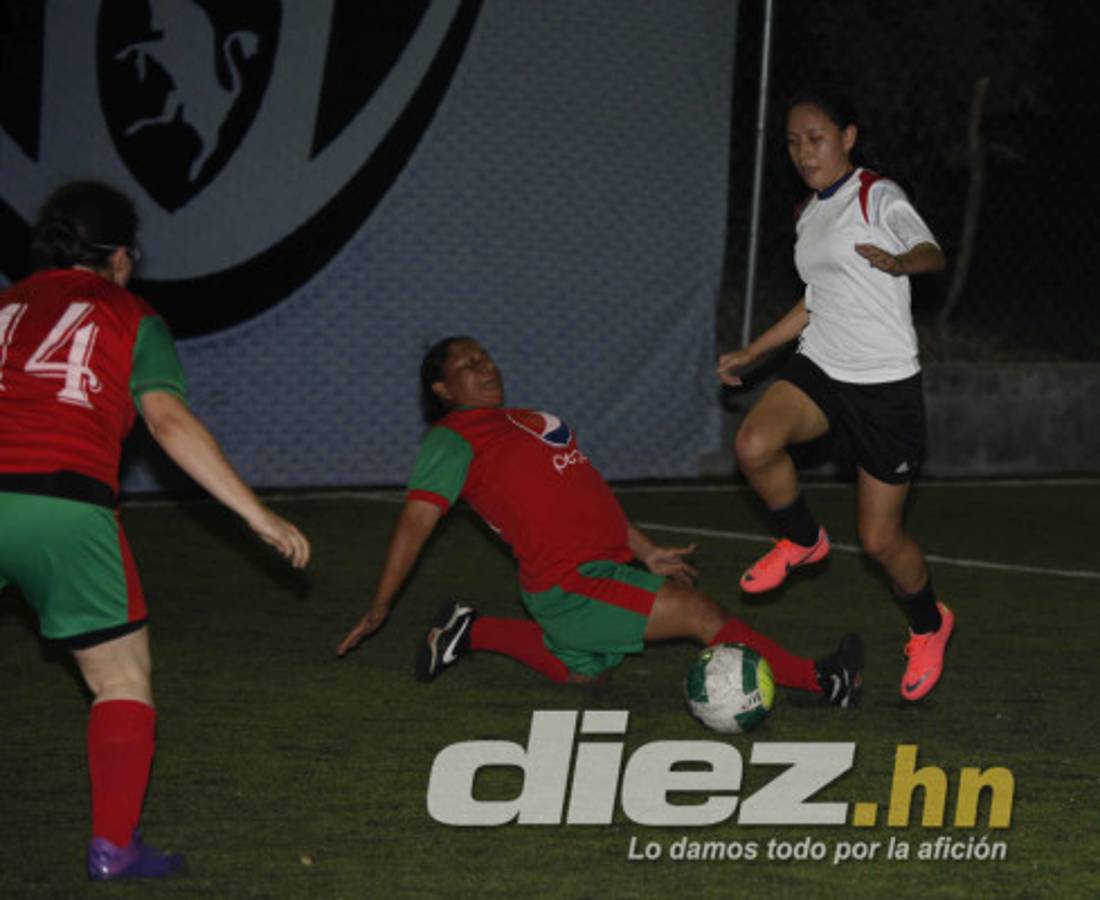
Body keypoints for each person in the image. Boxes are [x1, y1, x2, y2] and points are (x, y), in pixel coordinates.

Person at [0, 181, 311, 881]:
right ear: (119, 257)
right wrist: (256, 514)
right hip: (64, 503)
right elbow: (167, 421)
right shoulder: (131, 313)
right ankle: (113, 846)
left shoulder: (5, 305)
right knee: (119, 679)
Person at [338, 336, 862, 708]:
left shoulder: (520, 421)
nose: (486, 366)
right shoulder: (453, 438)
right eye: (468, 364)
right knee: (701, 613)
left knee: (584, 676)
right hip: (573, 583)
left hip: (594, 571)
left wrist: (645, 549)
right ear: (443, 389)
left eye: (486, 356)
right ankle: (823, 680)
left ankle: (470, 630)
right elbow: (416, 522)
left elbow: (582, 492)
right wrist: (381, 605)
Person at [716, 86, 953, 702]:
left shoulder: (878, 195)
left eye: (816, 138)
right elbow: (814, 301)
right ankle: (802, 538)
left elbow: (929, 251)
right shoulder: (808, 213)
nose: (804, 152)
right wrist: (754, 351)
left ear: (847, 137)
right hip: (823, 365)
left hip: (884, 387)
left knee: (880, 542)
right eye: (793, 142)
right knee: (754, 444)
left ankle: (929, 624)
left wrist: (901, 263)